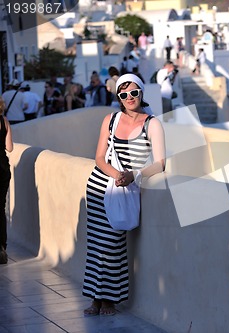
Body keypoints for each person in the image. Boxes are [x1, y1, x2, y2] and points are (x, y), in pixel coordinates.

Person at [82, 73, 165, 316]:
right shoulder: (110, 119)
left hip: (126, 188)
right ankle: (95, 299)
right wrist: (117, 173)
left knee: (113, 244)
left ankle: (109, 299)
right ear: (118, 97)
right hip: (99, 186)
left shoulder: (152, 123)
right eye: (124, 94)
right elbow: (99, 157)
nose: (129, 98)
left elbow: (161, 164)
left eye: (134, 93)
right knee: (97, 245)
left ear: (141, 92)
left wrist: (133, 175)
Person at [0, 97, 13, 264]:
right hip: (2, 167)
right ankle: (2, 248)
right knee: (0, 208)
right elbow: (9, 147)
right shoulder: (4, 121)